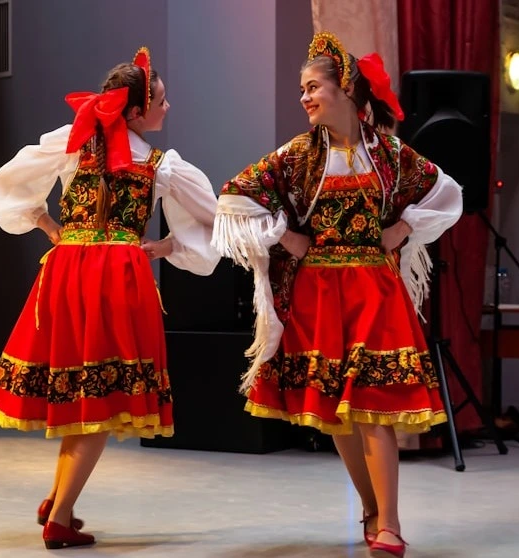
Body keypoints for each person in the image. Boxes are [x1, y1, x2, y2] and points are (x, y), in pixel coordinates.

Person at [210, 31, 463, 558]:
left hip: (375, 289)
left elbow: (447, 192)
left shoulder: (388, 153)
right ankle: (371, 509)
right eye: (302, 89)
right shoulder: (299, 155)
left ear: (345, 87)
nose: (303, 97)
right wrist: (288, 237)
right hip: (320, 293)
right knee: (338, 412)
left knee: (374, 406)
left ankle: (390, 522)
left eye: (312, 87)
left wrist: (404, 228)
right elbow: (234, 196)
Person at [0, 47, 219, 549]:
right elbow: (214, 218)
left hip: (68, 270)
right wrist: (170, 246)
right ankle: (60, 517)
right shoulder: (159, 165)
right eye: (160, 100)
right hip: (116, 279)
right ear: (135, 112)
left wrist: (48, 224)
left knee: (83, 390)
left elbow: (11, 181)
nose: (167, 107)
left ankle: (57, 499)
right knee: (102, 396)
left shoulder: (75, 143)